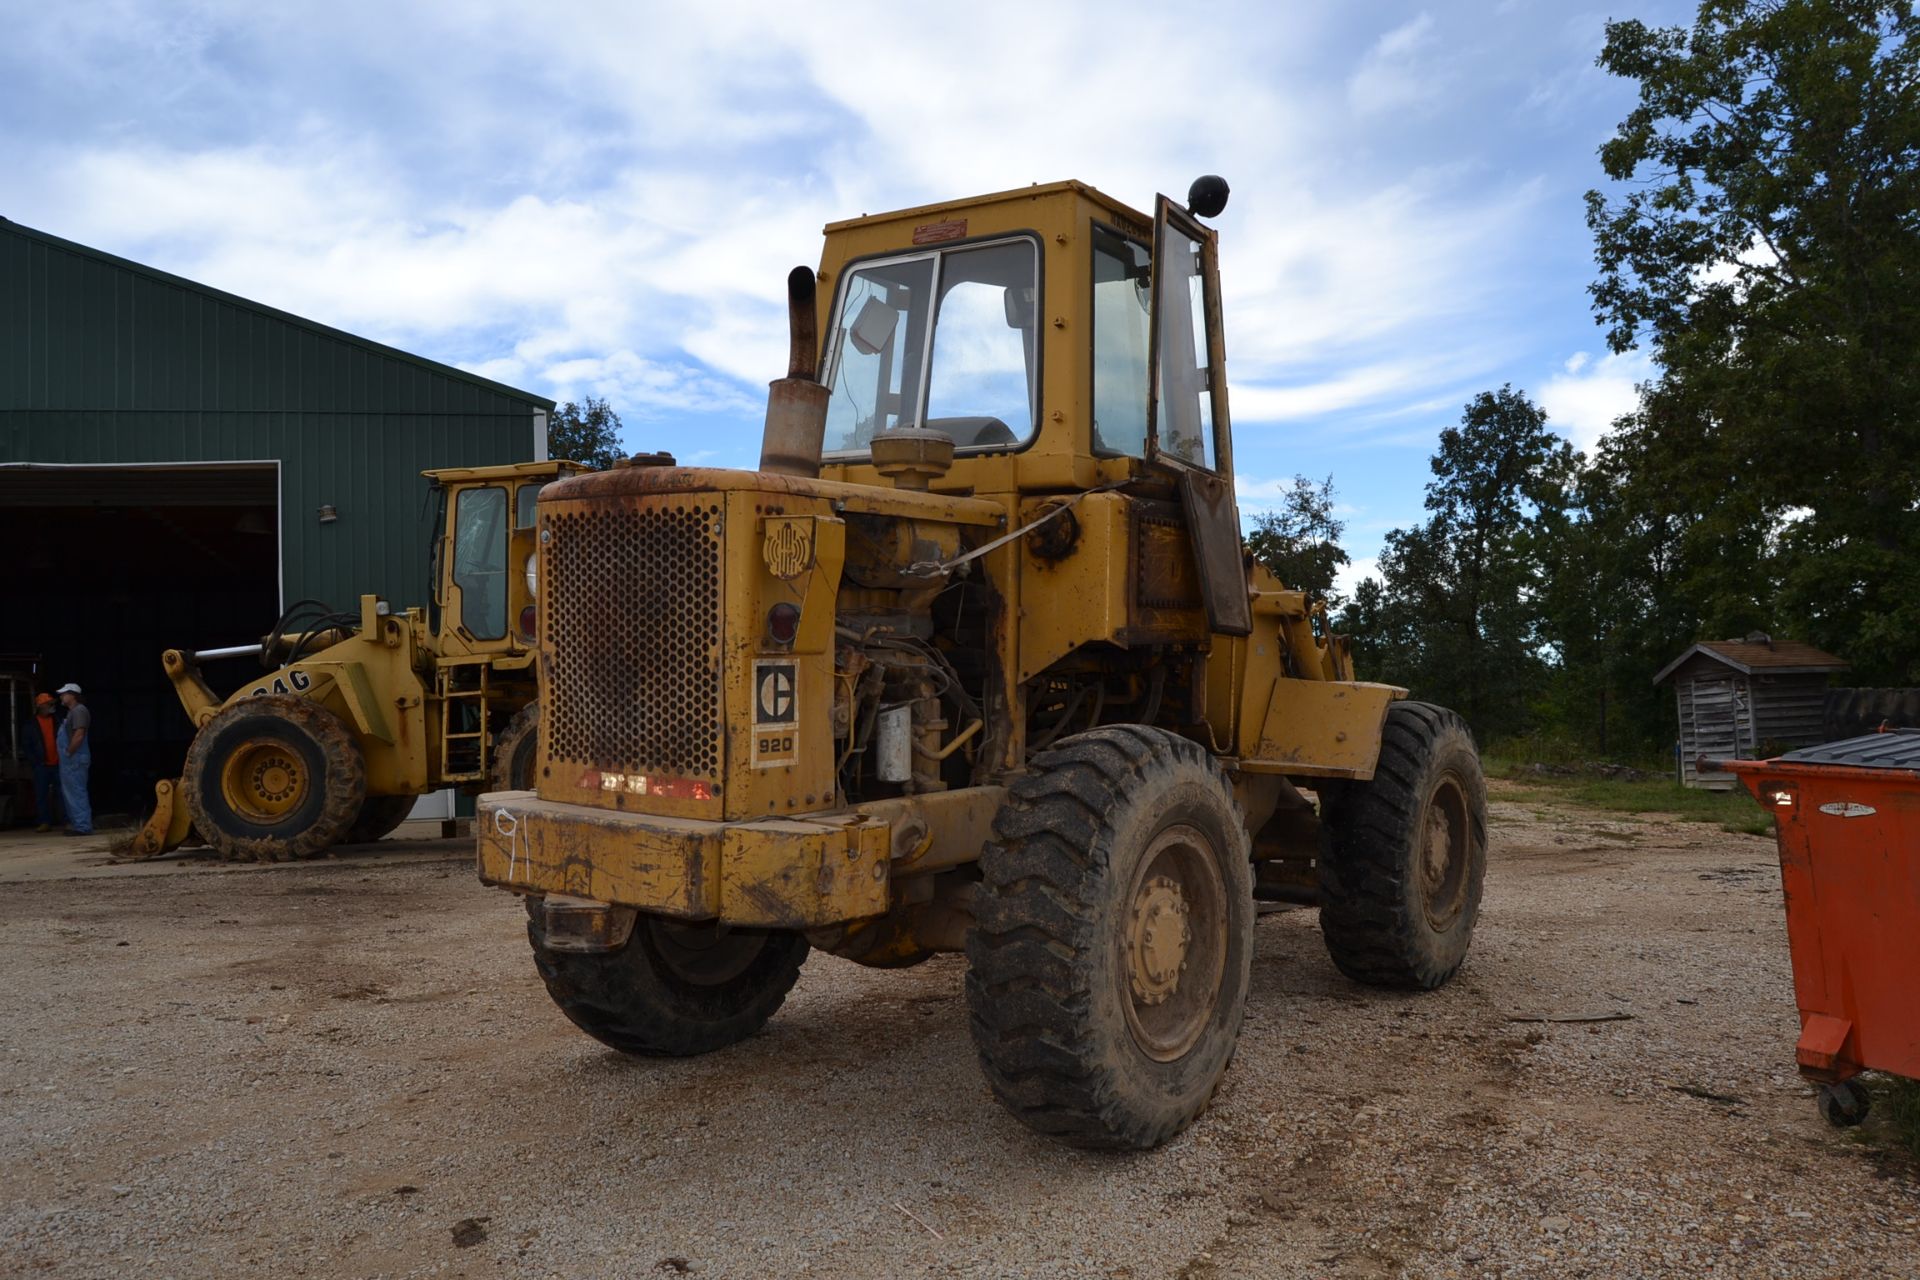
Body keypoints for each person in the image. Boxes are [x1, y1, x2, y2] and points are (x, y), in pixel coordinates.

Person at [55, 683, 92, 837]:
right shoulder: (72, 712)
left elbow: (79, 734)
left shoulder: (79, 711)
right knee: (70, 792)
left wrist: (69, 752)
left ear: (73, 695)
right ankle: (77, 824)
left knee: (76, 791)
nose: (61, 697)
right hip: (71, 758)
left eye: (64, 694)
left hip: (74, 757)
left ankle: (82, 826)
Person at [27, 692, 63, 832]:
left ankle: (65, 820)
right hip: (41, 766)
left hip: (58, 764)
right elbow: (27, 745)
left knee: (62, 794)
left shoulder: (57, 720)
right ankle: (44, 822)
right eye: (49, 704)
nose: (52, 706)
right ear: (41, 706)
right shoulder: (31, 724)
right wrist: (35, 763)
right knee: (41, 795)